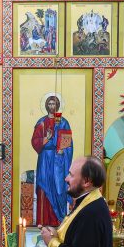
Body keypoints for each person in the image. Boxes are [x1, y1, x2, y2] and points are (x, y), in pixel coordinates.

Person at [31, 95, 73, 226]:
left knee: (58, 187)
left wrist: (62, 150)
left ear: (58, 105)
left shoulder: (63, 122)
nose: (51, 106)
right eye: (49, 104)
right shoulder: (41, 122)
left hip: (58, 160)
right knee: (43, 186)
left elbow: (68, 142)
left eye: (54, 104)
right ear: (46, 106)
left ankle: (58, 220)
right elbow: (35, 141)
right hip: (44, 158)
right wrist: (46, 139)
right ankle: (43, 221)